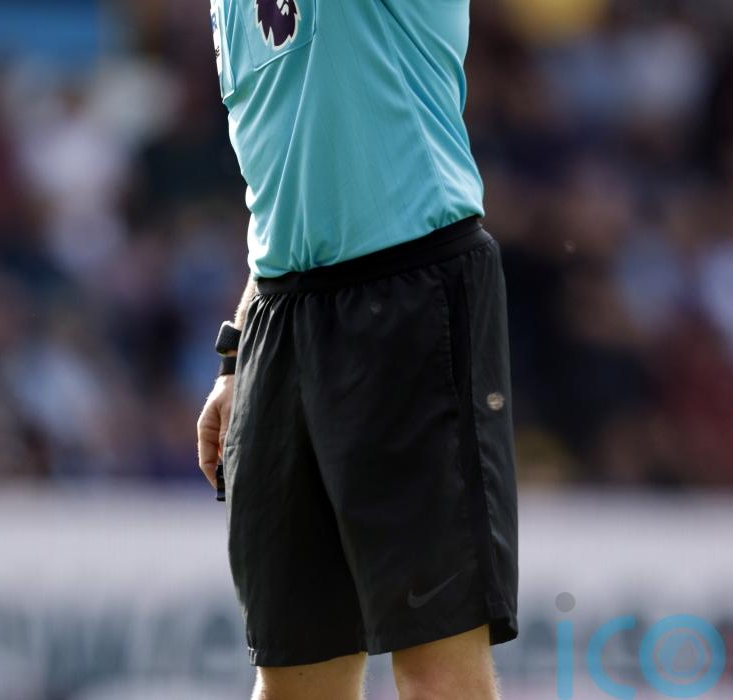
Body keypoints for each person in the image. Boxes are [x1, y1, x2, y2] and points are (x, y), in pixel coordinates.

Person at [195, 1, 518, 698]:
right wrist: (239, 353)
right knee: (293, 677)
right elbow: (287, 178)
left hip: (409, 290)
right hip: (281, 314)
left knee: (438, 670)